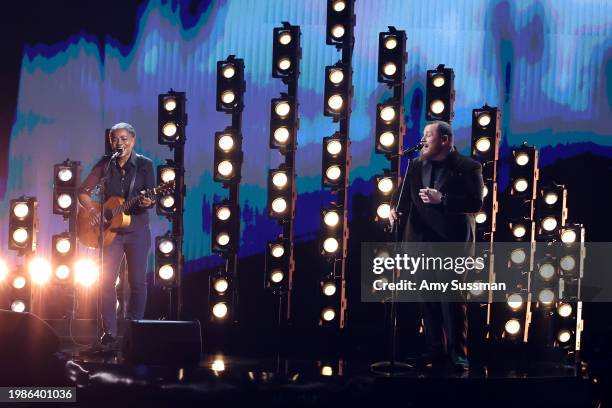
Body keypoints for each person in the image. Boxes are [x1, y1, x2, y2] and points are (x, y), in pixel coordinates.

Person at [389, 120, 484, 371]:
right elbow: (402, 194)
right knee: (427, 299)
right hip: (420, 241)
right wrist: (393, 209)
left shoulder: (468, 166)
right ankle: (434, 351)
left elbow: (475, 203)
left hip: (451, 243)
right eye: (423, 135)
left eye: (428, 135)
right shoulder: (416, 164)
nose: (423, 139)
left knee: (451, 300)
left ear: (445, 140)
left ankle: (458, 355)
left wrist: (443, 198)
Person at [78, 122, 155, 347]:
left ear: (132, 140)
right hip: (110, 234)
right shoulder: (106, 164)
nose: (119, 143)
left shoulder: (144, 165)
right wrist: (93, 210)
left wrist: (150, 200)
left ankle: (135, 329)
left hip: (137, 231)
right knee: (105, 282)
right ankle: (109, 332)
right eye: (115, 139)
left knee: (137, 282)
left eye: (123, 138)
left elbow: (151, 196)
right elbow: (82, 192)